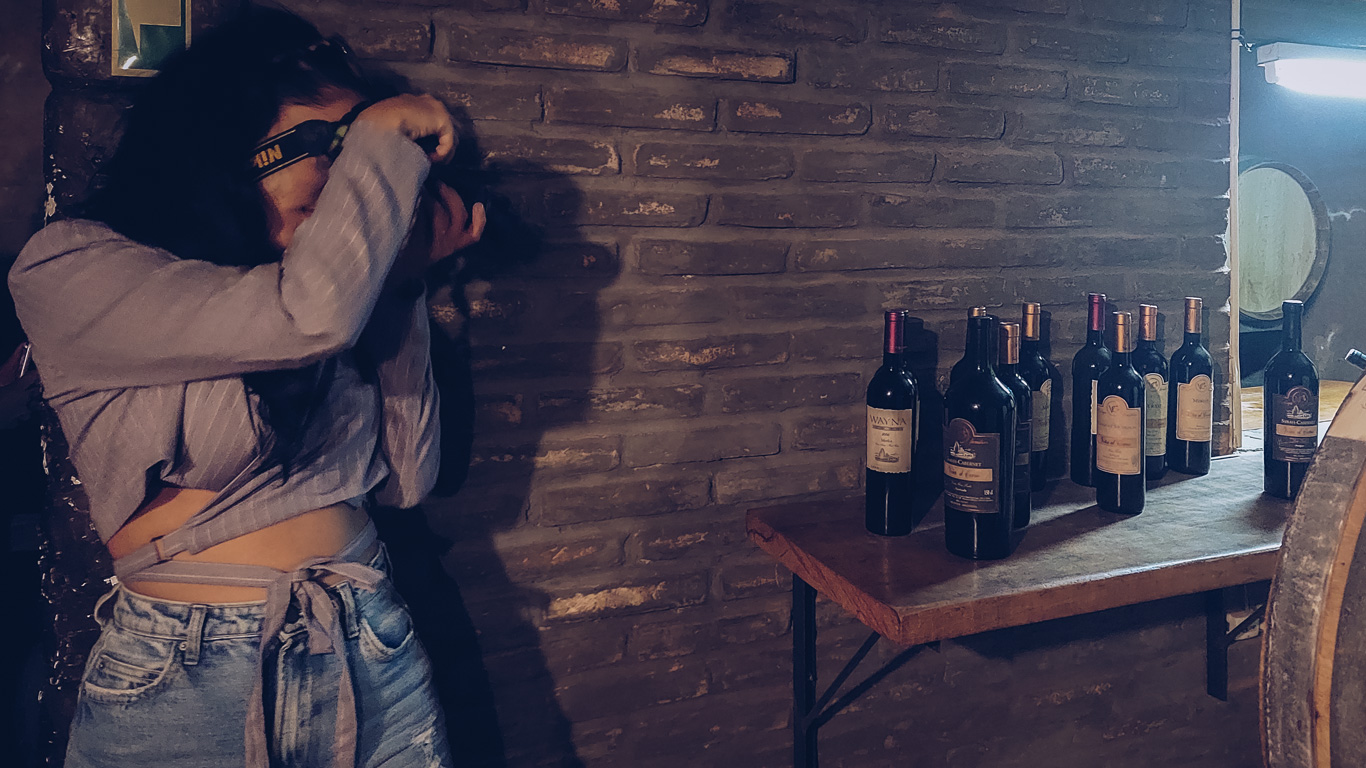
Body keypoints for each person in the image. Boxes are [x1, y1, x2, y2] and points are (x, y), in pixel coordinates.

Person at [8, 7, 486, 767]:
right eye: (326, 144)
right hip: (190, 671)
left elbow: (405, 479)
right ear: (222, 142)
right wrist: (384, 138)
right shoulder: (72, 266)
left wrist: (399, 289)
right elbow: (310, 320)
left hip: (370, 636)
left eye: (355, 148)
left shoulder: (326, 296)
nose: (345, 178)